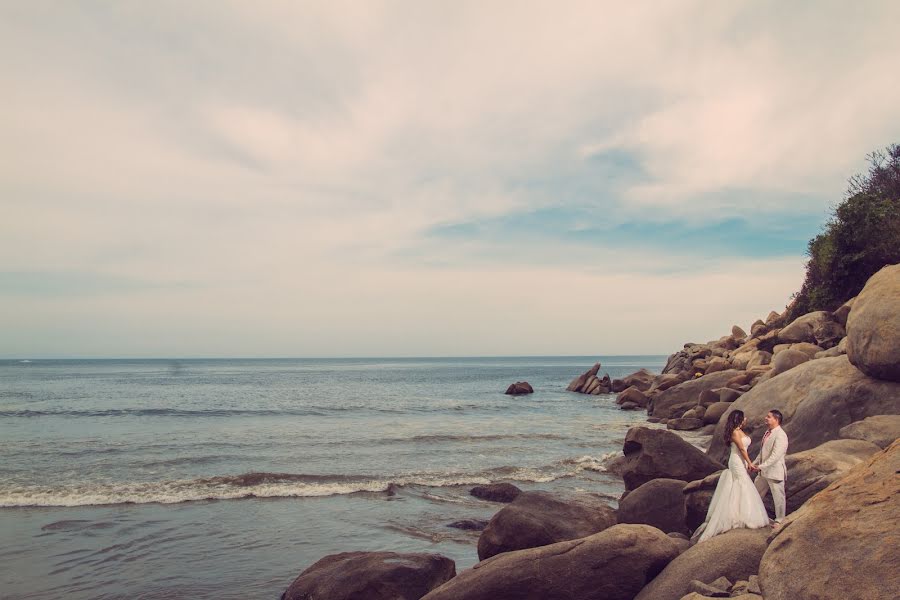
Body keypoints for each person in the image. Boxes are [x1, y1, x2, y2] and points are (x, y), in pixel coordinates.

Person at [691, 410, 770, 543]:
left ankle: (741, 514)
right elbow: (741, 449)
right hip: (736, 461)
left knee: (741, 484)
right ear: (738, 418)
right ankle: (737, 516)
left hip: (741, 461)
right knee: (741, 483)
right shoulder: (734, 431)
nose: (746, 419)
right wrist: (750, 463)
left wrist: (747, 462)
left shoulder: (740, 430)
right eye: (744, 417)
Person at [750, 409, 789, 528]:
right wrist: (754, 463)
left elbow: (776, 456)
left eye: (769, 417)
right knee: (754, 493)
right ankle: (752, 516)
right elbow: (762, 452)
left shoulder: (781, 435)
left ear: (776, 420)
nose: (766, 418)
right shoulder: (767, 432)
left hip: (774, 471)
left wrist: (760, 467)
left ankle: (779, 521)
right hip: (763, 472)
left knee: (778, 497)